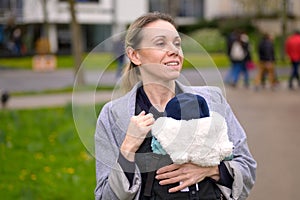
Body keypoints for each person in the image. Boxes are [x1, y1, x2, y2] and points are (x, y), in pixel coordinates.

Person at [94, 12, 256, 200]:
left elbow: (247, 169)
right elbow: (105, 196)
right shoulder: (113, 115)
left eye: (177, 43)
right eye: (160, 43)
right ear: (135, 55)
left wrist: (211, 169)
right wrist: (128, 146)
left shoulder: (212, 100)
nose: (174, 50)